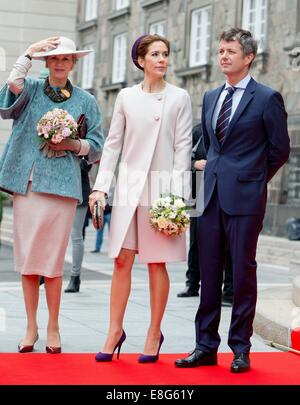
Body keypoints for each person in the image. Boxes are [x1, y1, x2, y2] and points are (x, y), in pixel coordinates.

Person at [175, 28, 290, 373]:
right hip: (209, 195)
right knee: (208, 273)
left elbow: (280, 150)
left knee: (242, 273)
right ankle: (205, 346)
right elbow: (211, 147)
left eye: (230, 51)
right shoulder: (211, 97)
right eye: (220, 50)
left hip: (245, 197)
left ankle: (240, 348)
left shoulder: (268, 98)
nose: (223, 56)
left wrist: (253, 179)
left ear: (248, 57)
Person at [89, 34, 192, 363]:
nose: (162, 59)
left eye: (165, 54)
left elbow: (182, 149)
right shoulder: (126, 97)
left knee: (156, 262)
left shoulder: (179, 97)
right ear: (140, 60)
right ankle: (114, 330)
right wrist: (101, 187)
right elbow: (112, 145)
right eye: (155, 54)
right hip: (130, 188)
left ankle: (153, 332)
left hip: (162, 190)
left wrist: (176, 199)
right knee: (122, 260)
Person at [0, 36, 103, 353]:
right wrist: (28, 53)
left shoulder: (86, 101)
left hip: (62, 188)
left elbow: (97, 145)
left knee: (53, 262)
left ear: (73, 64)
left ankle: (54, 326)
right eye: (55, 59)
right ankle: (31, 327)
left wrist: (71, 144)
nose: (60, 64)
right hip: (29, 185)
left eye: (66, 59)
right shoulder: (30, 88)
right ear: (48, 63)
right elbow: (10, 86)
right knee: (29, 260)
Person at [177, 124, 234, 305]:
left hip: (226, 190)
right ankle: (192, 284)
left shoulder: (233, 126)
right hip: (199, 191)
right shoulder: (198, 130)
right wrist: (194, 164)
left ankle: (229, 290)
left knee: (229, 243)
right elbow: (180, 157)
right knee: (195, 240)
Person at [65, 158, 92, 293]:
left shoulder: (84, 137)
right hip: (59, 190)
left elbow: (88, 163)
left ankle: (75, 277)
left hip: (79, 191)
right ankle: (46, 274)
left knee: (76, 235)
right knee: (54, 235)